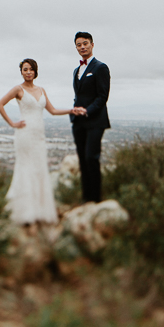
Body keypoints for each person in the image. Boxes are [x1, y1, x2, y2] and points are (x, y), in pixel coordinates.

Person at [0, 58, 80, 225]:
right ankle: (24, 212)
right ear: (21, 72)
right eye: (25, 69)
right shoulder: (18, 89)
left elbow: (53, 111)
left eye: (31, 69)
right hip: (25, 135)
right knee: (26, 168)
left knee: (39, 168)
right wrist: (12, 123)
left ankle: (38, 210)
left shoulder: (41, 90)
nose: (28, 72)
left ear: (35, 71)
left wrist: (71, 110)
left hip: (39, 135)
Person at [70, 31, 111, 203]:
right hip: (78, 122)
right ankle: (86, 198)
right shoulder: (76, 70)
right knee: (82, 160)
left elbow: (102, 97)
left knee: (91, 158)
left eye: (85, 43)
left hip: (95, 120)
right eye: (79, 44)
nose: (82, 47)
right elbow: (79, 95)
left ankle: (96, 199)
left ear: (92, 45)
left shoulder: (100, 67)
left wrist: (87, 111)